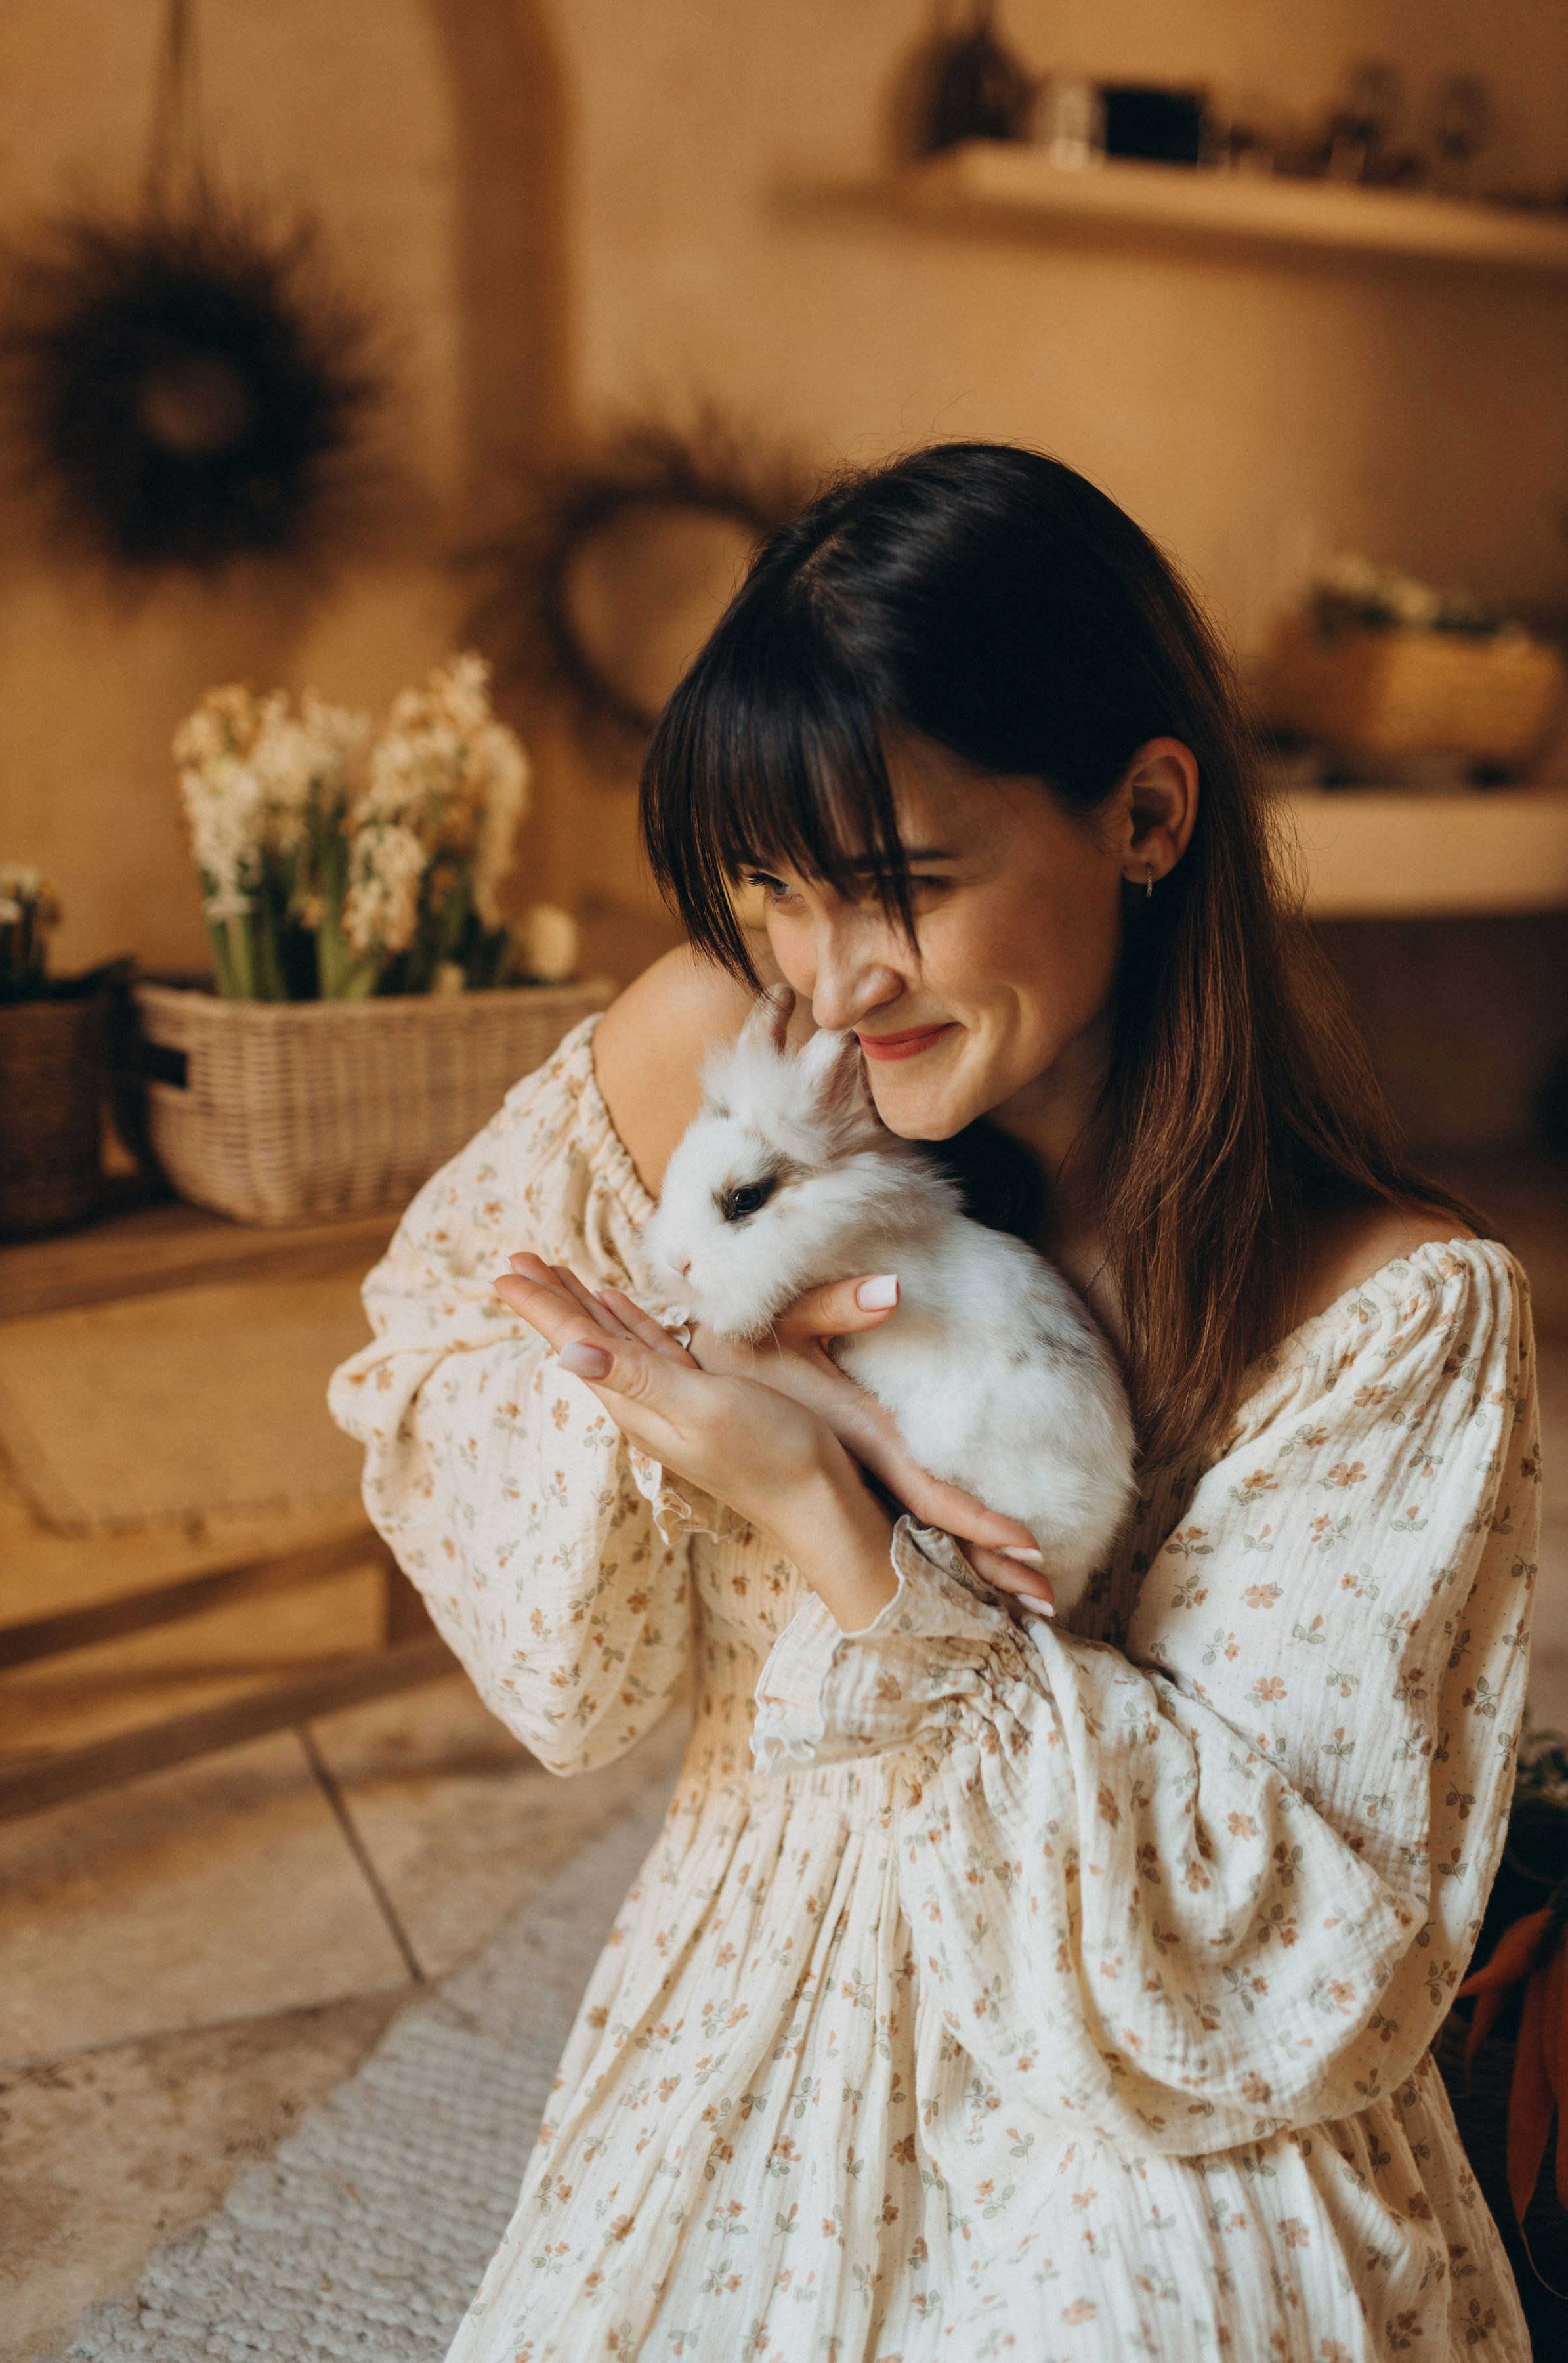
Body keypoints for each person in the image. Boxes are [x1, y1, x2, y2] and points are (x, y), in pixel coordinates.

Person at [329, 445, 1542, 2362]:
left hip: (1153, 2060)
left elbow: (1299, 1951)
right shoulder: (716, 1060)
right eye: (771, 894)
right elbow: (432, 1348)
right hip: (767, 1963)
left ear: (1149, 815)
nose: (833, 982)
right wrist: (674, 1394)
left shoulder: (1390, 1311)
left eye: (902, 886)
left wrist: (834, 1524)